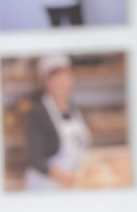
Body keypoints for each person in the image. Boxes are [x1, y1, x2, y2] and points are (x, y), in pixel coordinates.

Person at [23, 54, 92, 191]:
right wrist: (63, 176)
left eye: (67, 77)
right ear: (46, 82)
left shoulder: (74, 110)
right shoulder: (39, 113)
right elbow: (35, 159)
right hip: (45, 187)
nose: (64, 83)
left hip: (71, 185)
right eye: (58, 78)